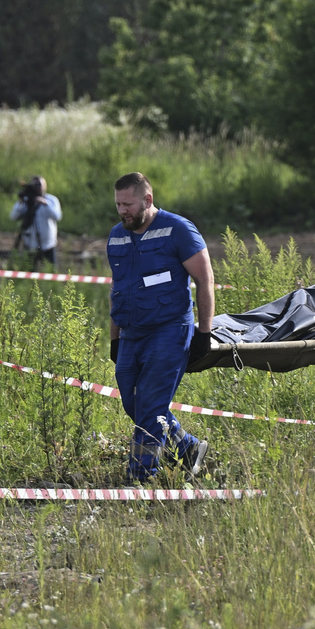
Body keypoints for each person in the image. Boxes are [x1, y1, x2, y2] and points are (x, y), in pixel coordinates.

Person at [108, 172, 214, 482]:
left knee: (151, 407)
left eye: (128, 204)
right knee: (134, 404)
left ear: (147, 200)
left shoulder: (178, 229)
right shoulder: (116, 236)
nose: (123, 211)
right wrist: (115, 338)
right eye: (118, 205)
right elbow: (117, 289)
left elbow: (205, 279)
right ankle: (189, 448)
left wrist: (204, 333)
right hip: (131, 334)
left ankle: (141, 477)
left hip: (169, 330)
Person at [9, 175, 63, 270]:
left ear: (45, 186)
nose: (38, 187)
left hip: (48, 244)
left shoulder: (51, 200)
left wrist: (45, 203)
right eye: (35, 185)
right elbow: (13, 216)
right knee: (29, 271)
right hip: (30, 243)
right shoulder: (26, 201)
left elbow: (57, 216)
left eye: (40, 184)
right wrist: (21, 202)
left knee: (51, 271)